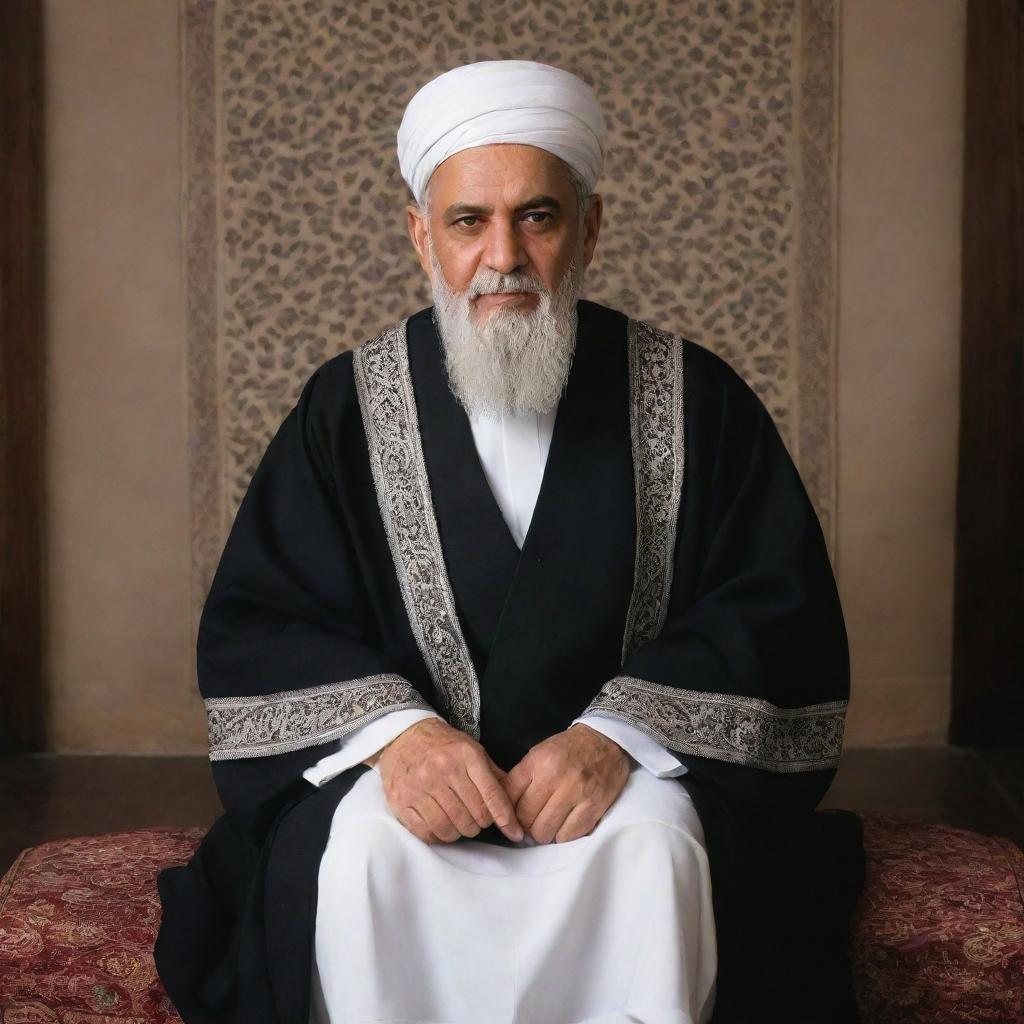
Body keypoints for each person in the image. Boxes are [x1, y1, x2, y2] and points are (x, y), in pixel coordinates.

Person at [155, 60, 864, 1024]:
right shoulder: (348, 407)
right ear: (419, 235)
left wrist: (618, 737)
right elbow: (263, 619)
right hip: (409, 793)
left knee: (657, 855)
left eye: (537, 217)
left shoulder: (694, 399)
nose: (503, 256)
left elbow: (774, 613)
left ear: (590, 228)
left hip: (624, 793)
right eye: (467, 221)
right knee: (361, 854)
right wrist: (398, 740)